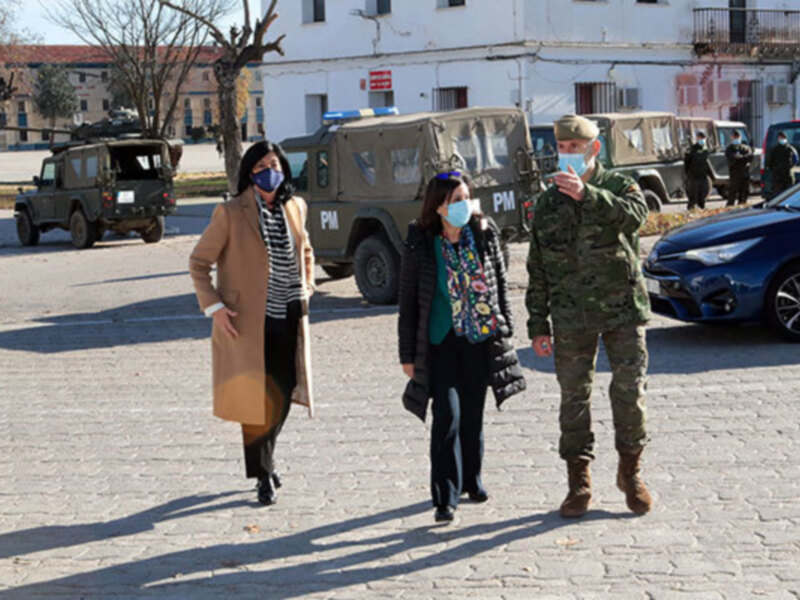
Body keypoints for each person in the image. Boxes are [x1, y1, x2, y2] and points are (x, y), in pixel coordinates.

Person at [525, 114, 652, 519]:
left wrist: (588, 196)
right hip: (570, 316)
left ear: (594, 149)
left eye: (574, 148)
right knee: (574, 398)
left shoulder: (619, 185)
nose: (567, 155)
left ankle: (630, 475)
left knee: (629, 392)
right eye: (561, 148)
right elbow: (538, 267)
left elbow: (636, 217)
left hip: (622, 311)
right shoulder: (547, 203)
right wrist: (537, 325)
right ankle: (578, 483)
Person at [189, 140, 315, 506]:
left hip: (289, 313)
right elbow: (198, 263)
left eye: (274, 164)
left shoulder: (295, 207)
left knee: (286, 390)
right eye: (259, 166)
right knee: (256, 399)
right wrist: (213, 306)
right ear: (249, 173)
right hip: (250, 322)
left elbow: (306, 248)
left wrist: (307, 286)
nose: (268, 171)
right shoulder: (230, 213)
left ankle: (267, 458)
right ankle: (263, 475)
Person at [398, 172, 526, 523]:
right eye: (455, 200)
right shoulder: (421, 242)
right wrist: (407, 354)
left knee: (473, 416)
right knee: (448, 417)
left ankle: (472, 479)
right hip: (439, 343)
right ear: (438, 206)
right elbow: (409, 301)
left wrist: (507, 329)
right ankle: (445, 496)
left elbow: (500, 283)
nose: (463, 206)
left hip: (479, 340)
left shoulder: (484, 235)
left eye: (467, 198)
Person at [684, 131, 713, 210]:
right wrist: (687, 174)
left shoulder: (706, 149)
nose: (702, 140)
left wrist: (711, 175)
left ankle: (702, 209)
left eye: (703, 138)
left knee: (703, 195)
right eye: (700, 138)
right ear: (697, 138)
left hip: (703, 176)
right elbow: (687, 162)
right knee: (693, 196)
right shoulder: (692, 149)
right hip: (694, 176)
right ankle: (691, 210)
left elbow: (708, 162)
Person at [724, 130, 753, 206]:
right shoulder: (730, 149)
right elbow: (730, 158)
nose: (736, 138)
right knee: (733, 192)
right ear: (732, 137)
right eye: (735, 136)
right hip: (735, 174)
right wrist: (737, 159)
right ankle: (730, 206)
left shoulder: (745, 148)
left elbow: (749, 157)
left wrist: (741, 158)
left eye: (738, 136)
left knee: (744, 192)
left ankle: (742, 204)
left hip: (745, 173)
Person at [767, 131, 799, 198]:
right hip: (778, 177)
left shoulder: (790, 149)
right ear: (778, 139)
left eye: (783, 138)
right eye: (780, 138)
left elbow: (796, 160)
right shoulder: (775, 150)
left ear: (786, 139)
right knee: (778, 195)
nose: (781, 139)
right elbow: (770, 162)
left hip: (788, 176)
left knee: (789, 195)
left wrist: (790, 168)